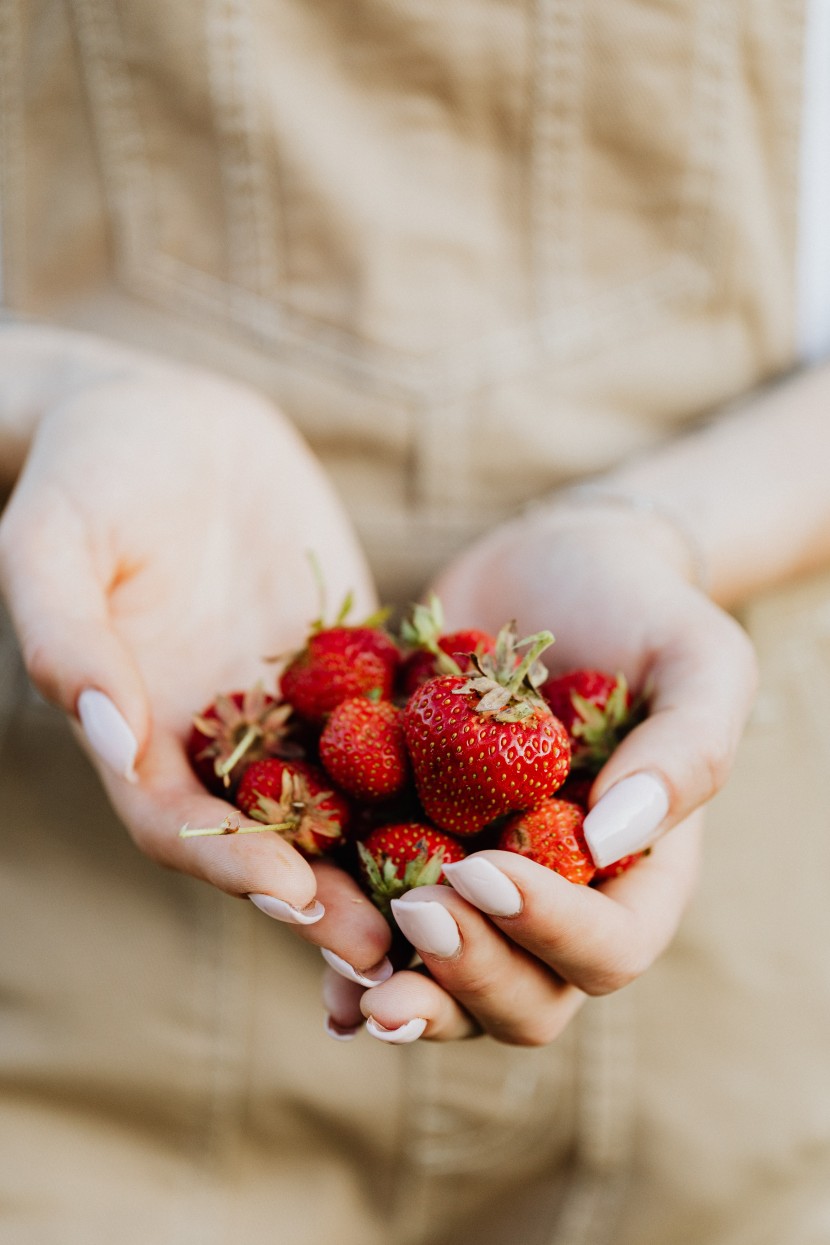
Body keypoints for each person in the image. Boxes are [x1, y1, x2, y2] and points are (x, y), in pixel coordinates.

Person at [1, 3, 829, 1243]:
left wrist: (665, 532)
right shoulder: (377, 724)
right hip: (78, 956)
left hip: (723, 983)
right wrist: (58, 396)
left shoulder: (418, 725)